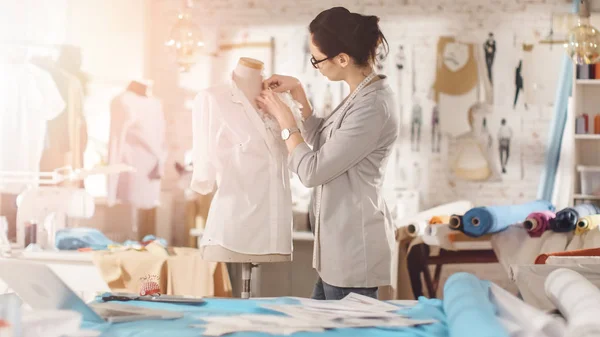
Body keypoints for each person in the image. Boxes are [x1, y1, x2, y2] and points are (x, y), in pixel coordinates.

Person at [255, 6, 398, 300]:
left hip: (353, 251)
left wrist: (285, 121)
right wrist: (299, 96)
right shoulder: (359, 95)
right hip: (337, 250)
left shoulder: (372, 106)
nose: (315, 66)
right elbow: (324, 139)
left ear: (342, 59)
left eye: (317, 60)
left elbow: (312, 170)